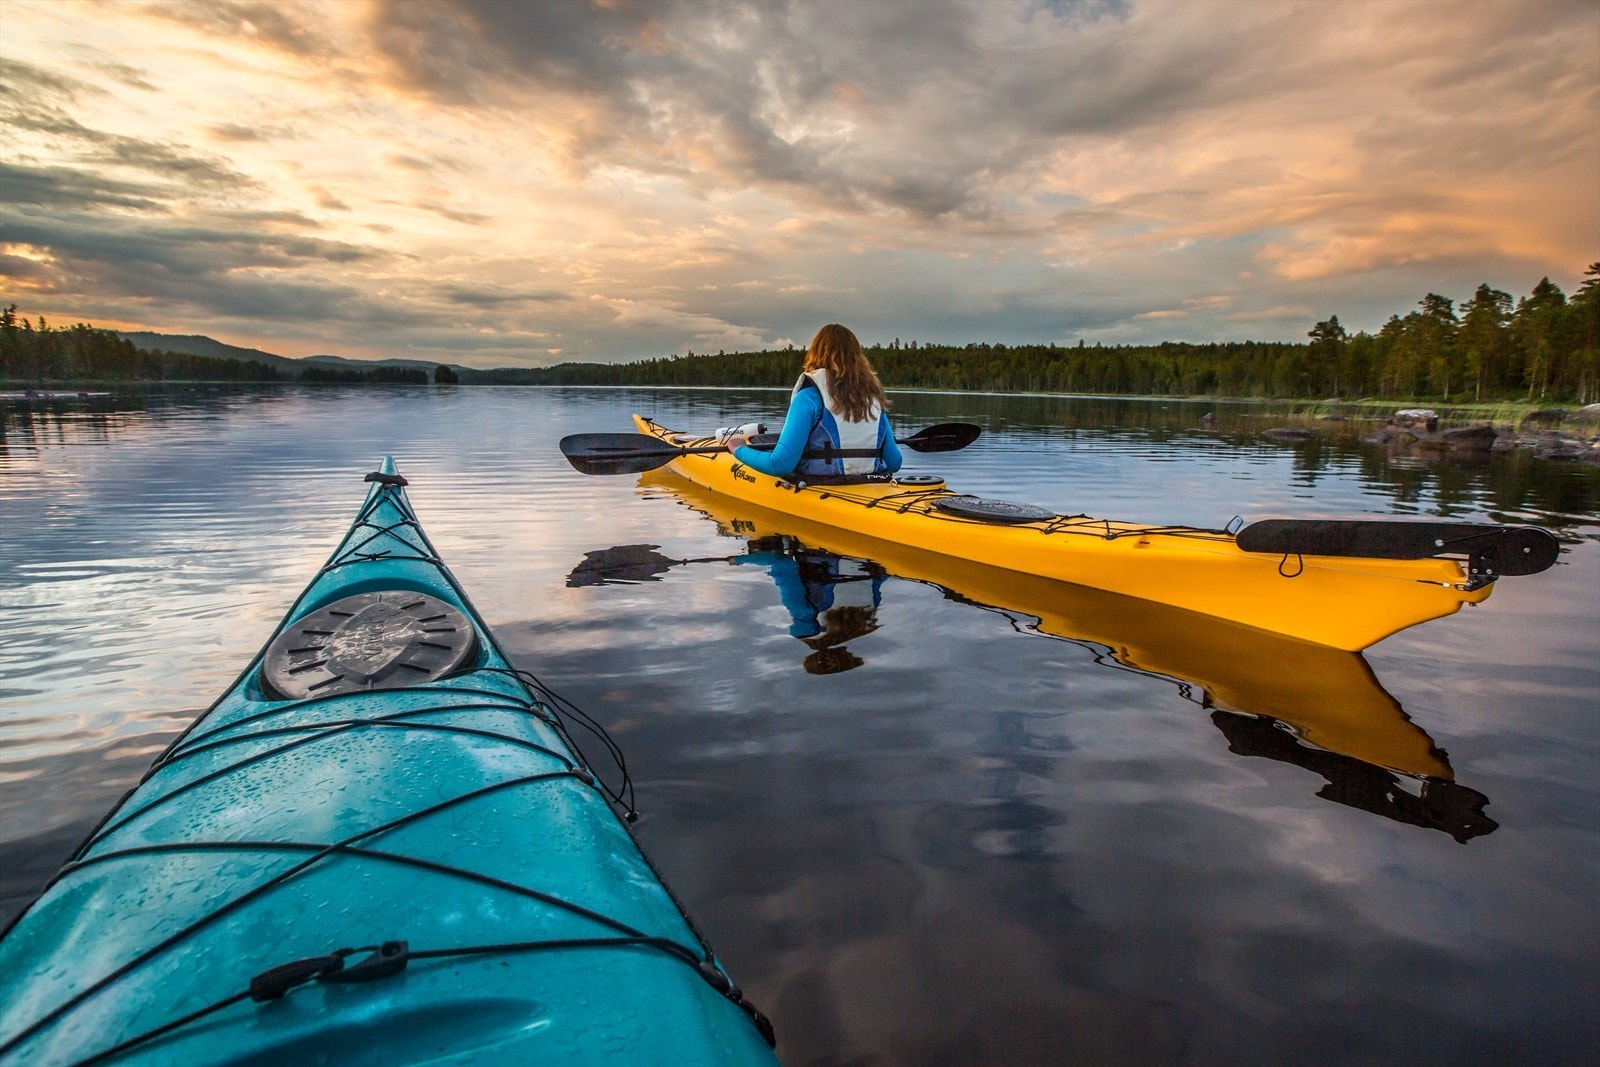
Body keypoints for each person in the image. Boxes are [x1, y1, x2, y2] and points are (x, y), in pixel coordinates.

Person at [725, 324, 902, 480]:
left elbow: (779, 465)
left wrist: (738, 449)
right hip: (869, 484)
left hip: (821, 484)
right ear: (857, 357)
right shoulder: (873, 398)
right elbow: (895, 463)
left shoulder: (810, 396)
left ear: (817, 352)